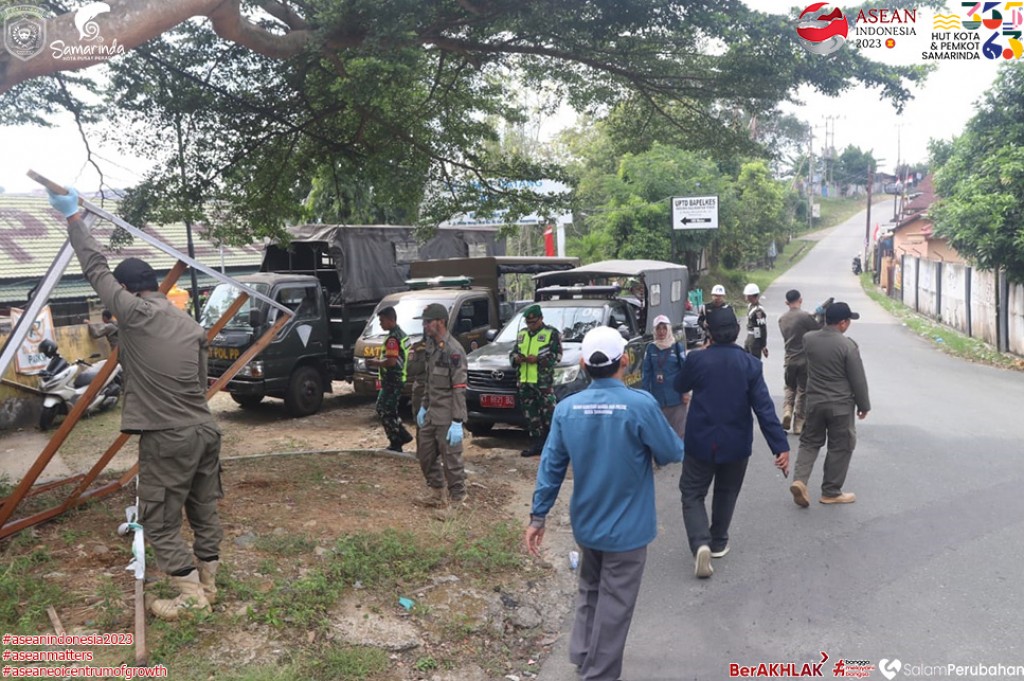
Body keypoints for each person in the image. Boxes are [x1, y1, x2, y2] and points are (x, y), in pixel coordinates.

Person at [48, 187, 222, 621]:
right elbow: (198, 382)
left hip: (169, 436)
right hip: (204, 429)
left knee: (160, 519)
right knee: (202, 509)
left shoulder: (133, 313)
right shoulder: (187, 322)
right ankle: (210, 583)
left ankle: (191, 597)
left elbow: (95, 267)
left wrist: (74, 219)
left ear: (127, 290)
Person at [525, 326, 683, 681]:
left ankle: (583, 654)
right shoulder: (640, 404)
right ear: (625, 361)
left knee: (591, 587)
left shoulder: (566, 409)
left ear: (582, 364)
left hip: (587, 523)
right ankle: (598, 674)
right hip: (628, 530)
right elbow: (672, 451)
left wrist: (538, 517)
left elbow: (551, 466)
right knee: (616, 603)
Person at [673, 306, 789, 579]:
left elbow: (680, 385)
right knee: (727, 492)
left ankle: (699, 543)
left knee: (692, 492)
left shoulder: (697, 361)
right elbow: (764, 409)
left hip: (701, 442)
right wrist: (780, 446)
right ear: (737, 332)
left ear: (708, 333)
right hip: (736, 444)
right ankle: (718, 541)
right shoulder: (751, 364)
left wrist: (699, 352)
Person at [789, 302, 871, 508]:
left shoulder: (809, 339)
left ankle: (800, 480)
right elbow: (857, 379)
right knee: (840, 446)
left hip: (814, 403)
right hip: (840, 406)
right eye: (848, 321)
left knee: (809, 442)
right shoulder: (848, 346)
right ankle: (831, 491)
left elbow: (812, 333)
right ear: (843, 323)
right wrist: (864, 405)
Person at [415, 303, 469, 511]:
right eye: (424, 322)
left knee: (451, 460)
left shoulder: (454, 351)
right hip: (431, 412)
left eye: (428, 321)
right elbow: (429, 381)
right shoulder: (430, 346)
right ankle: (437, 492)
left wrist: (457, 421)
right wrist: (423, 406)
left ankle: (458, 500)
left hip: (448, 415)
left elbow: (459, 389)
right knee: (425, 454)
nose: (425, 325)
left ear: (441, 322)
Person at [510, 304, 562, 457]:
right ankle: (537, 445)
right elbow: (513, 353)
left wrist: (538, 360)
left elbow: (556, 356)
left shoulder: (551, 333)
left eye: (533, 322)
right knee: (531, 416)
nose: (530, 326)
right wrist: (516, 359)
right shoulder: (522, 334)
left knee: (549, 415)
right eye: (528, 323)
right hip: (525, 382)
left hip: (543, 383)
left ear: (541, 319)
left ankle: (555, 447)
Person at [366, 306, 414, 452]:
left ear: (390, 320)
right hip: (398, 378)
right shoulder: (402, 334)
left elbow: (391, 362)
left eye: (382, 320)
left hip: (392, 380)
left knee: (384, 409)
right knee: (388, 409)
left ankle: (396, 441)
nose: (380, 323)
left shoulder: (393, 339)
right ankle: (403, 435)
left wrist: (375, 362)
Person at [777, 290, 822, 435]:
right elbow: (818, 330)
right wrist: (819, 316)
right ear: (800, 300)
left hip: (789, 359)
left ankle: (787, 410)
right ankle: (798, 423)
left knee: (790, 387)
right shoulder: (805, 316)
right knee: (803, 391)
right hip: (804, 360)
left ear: (786, 303)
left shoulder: (782, 319)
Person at [640, 314, 688, 439]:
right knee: (660, 431)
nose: (661, 332)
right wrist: (646, 395)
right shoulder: (650, 348)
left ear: (669, 329)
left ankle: (678, 456)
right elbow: (646, 373)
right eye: (658, 328)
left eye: (664, 328)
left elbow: (685, 371)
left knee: (678, 431)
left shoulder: (677, 347)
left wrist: (685, 392)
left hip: (676, 397)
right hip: (658, 397)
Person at [743, 283, 769, 360]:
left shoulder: (758, 311)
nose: (746, 297)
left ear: (751, 296)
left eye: (747, 295)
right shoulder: (750, 306)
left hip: (754, 338)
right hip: (749, 336)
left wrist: (763, 345)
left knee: (754, 360)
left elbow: (762, 328)